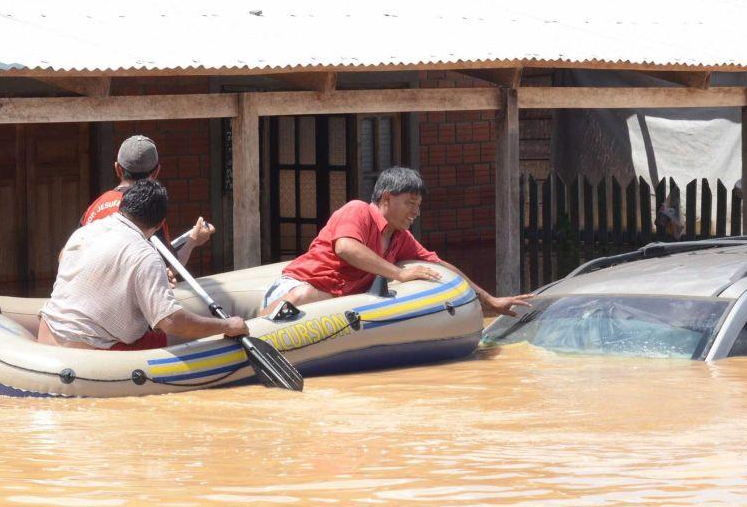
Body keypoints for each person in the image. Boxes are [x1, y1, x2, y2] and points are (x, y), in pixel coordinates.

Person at [259, 166, 533, 318]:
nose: (416, 212)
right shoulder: (358, 210)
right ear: (387, 198)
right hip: (297, 286)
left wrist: (489, 299)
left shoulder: (400, 237)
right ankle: (253, 328)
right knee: (305, 296)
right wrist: (400, 273)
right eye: (410, 203)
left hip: (334, 302)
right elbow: (346, 247)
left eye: (419, 205)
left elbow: (439, 263)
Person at [38, 179, 247, 350]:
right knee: (182, 340)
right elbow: (171, 322)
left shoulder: (85, 231)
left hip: (45, 334)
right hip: (88, 355)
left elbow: (63, 257)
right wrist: (226, 325)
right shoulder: (146, 256)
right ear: (159, 225)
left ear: (123, 206)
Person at [81, 134, 213, 266]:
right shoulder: (148, 208)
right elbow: (168, 267)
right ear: (156, 173)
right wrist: (193, 240)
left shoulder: (95, 205)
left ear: (117, 169)